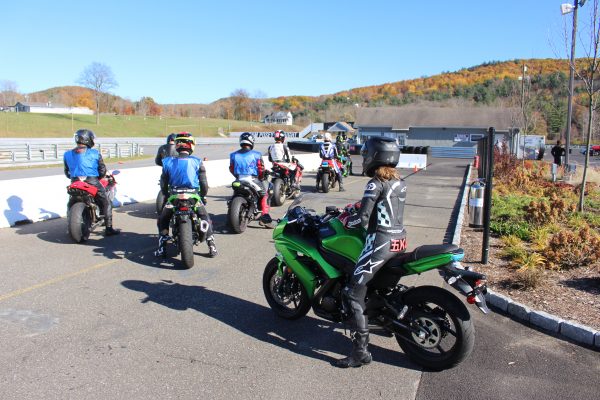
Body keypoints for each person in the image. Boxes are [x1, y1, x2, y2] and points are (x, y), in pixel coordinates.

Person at [336, 137, 406, 368]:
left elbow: (362, 218)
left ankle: (360, 353)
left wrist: (347, 220)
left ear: (374, 156)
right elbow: (383, 206)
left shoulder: (375, 183)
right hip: (400, 240)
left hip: (380, 242)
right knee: (375, 286)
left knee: (352, 293)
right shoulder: (400, 181)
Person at [154, 132, 218, 258]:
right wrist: (203, 196)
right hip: (193, 196)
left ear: (177, 145)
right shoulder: (197, 162)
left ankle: (162, 248)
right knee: (205, 217)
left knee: (163, 219)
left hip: (174, 197)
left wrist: (167, 196)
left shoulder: (167, 162)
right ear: (191, 145)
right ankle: (212, 246)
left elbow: (163, 184)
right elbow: (204, 184)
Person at [64, 129, 120, 236]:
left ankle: (69, 221)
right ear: (87, 139)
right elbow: (102, 171)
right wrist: (98, 178)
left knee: (70, 202)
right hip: (92, 181)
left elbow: (67, 172)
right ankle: (109, 228)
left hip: (75, 182)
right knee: (106, 202)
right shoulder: (95, 153)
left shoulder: (67, 154)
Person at [230, 132, 273, 226]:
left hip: (238, 180)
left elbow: (232, 169)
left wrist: (238, 176)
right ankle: (265, 218)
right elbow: (261, 169)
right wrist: (261, 177)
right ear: (251, 142)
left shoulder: (233, 155)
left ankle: (229, 215)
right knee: (265, 195)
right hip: (252, 180)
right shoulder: (257, 154)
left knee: (233, 195)